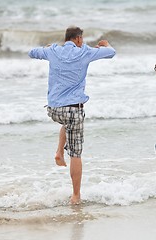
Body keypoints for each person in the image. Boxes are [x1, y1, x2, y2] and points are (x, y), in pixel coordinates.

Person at [28, 26, 116, 204]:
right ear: (77, 39)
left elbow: (31, 52)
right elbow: (111, 53)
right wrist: (106, 44)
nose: (82, 42)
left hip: (53, 110)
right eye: (81, 39)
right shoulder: (84, 52)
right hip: (73, 110)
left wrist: (46, 49)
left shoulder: (53, 51)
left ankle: (59, 152)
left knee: (67, 122)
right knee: (76, 154)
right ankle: (76, 196)